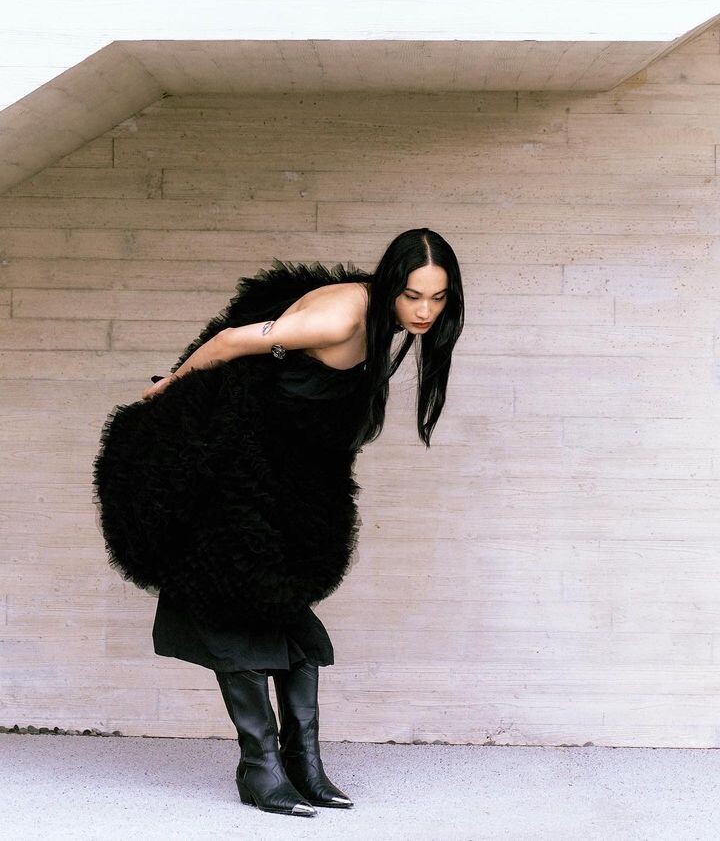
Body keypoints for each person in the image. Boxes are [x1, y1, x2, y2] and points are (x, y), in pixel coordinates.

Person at [94, 227, 464, 819]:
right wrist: (168, 388)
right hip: (232, 462)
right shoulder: (341, 317)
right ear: (391, 284)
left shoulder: (386, 322)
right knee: (235, 605)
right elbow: (230, 341)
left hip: (280, 468)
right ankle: (260, 766)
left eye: (438, 298)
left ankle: (302, 763)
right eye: (413, 295)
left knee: (287, 609)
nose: (423, 311)